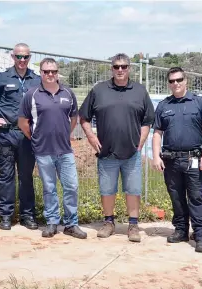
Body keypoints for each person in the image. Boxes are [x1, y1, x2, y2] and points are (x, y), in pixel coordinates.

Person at [79, 53, 155, 243]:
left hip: (132, 153)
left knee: (133, 190)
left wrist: (142, 140)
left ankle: (133, 225)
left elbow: (148, 120)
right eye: (116, 67)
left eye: (124, 67)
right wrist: (90, 136)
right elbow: (84, 117)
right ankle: (108, 223)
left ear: (129, 68)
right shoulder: (99, 90)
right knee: (107, 190)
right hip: (107, 153)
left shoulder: (139, 91)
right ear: (111, 69)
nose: (120, 70)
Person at [18, 58, 87, 239]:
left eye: (53, 71)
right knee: (49, 188)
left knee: (71, 186)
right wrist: (36, 138)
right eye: (46, 71)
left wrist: (64, 134)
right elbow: (23, 122)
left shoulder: (68, 93)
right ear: (40, 73)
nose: (50, 75)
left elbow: (73, 119)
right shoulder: (32, 95)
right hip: (43, 151)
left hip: (64, 150)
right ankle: (52, 222)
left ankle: (71, 224)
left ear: (58, 73)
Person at [152, 67, 202, 253]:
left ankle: (200, 235)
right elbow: (157, 133)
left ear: (185, 80)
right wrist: (156, 156)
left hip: (195, 159)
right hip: (171, 161)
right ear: (168, 83)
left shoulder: (198, 102)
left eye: (179, 79)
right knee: (176, 198)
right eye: (172, 81)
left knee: (196, 197)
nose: (176, 84)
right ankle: (181, 230)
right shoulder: (164, 105)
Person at [0, 43, 41, 230]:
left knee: (25, 176)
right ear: (12, 57)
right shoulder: (2, 77)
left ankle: (27, 215)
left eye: (25, 57)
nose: (22, 61)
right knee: (6, 175)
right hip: (6, 133)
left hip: (27, 134)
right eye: (18, 57)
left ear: (30, 57)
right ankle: (6, 216)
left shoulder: (37, 79)